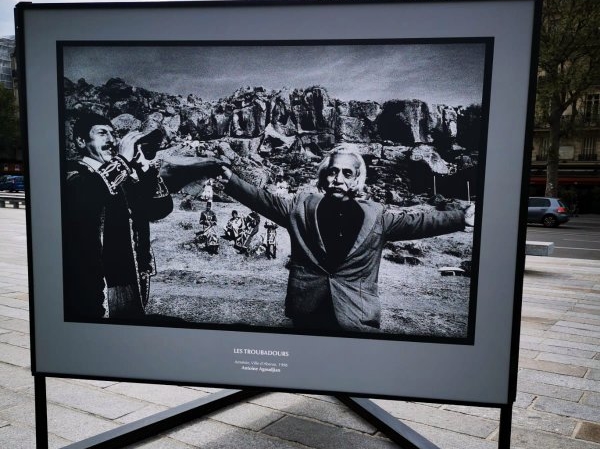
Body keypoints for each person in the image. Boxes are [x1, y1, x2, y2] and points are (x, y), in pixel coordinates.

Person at [169, 144, 474, 333]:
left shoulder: (378, 215)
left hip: (356, 316)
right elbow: (262, 199)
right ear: (324, 175)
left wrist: (461, 217)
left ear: (357, 178)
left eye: (346, 173)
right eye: (332, 172)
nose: (337, 179)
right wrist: (231, 180)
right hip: (308, 312)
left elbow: (419, 222)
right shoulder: (300, 206)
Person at [64, 112, 173, 321]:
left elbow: (160, 208)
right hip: (92, 282)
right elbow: (88, 196)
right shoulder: (72, 173)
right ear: (80, 141)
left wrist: (145, 167)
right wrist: (122, 161)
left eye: (113, 134)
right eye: (102, 133)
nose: (112, 140)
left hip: (129, 278)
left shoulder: (123, 177)